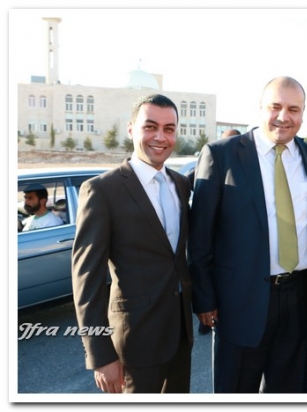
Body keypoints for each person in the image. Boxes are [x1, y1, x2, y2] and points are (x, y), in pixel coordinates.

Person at [188, 76, 307, 393]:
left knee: (288, 391)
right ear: (260, 108)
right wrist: (204, 299)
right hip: (239, 300)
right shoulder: (221, 155)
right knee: (236, 390)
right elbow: (200, 236)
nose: (283, 117)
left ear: (303, 113)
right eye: (275, 106)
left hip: (297, 297)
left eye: (294, 109)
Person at [71, 94, 193, 393]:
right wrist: (100, 355)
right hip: (133, 343)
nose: (160, 137)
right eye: (150, 126)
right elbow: (86, 279)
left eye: (169, 129)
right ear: (131, 129)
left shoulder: (180, 184)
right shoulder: (102, 190)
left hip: (180, 336)